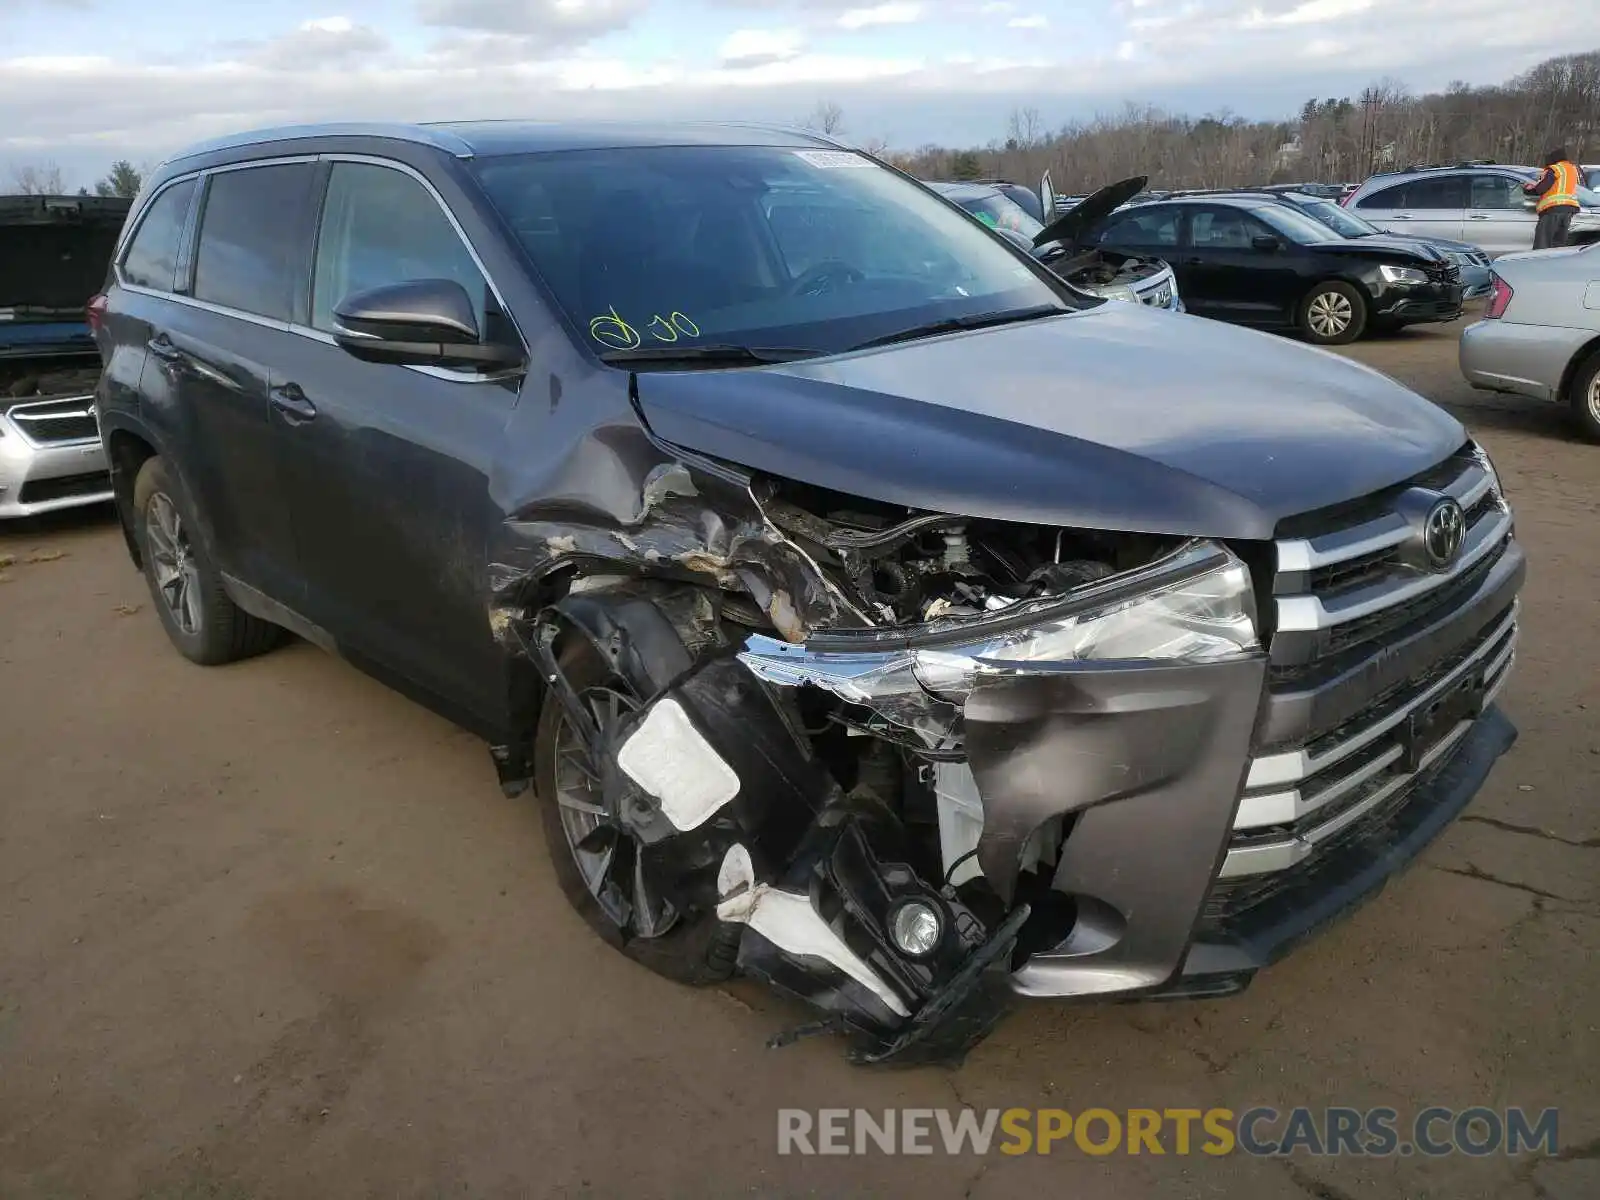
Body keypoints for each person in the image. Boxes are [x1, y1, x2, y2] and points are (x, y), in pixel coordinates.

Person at [1523, 146, 1582, 250]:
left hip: (1552, 211)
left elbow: (1540, 189)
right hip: (1568, 211)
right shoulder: (1572, 169)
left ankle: (1538, 265)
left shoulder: (1554, 169)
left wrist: (1527, 189)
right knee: (1558, 247)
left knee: (1542, 245)